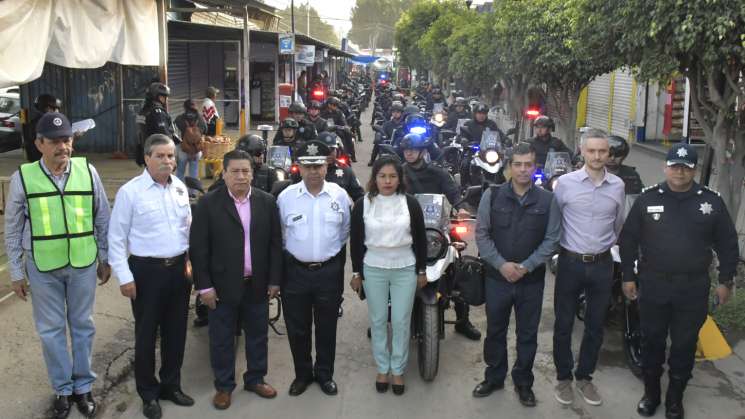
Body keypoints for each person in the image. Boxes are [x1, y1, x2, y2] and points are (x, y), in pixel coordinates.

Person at [619, 143, 738, 419]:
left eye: (686, 167)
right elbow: (628, 240)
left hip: (692, 288)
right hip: (654, 285)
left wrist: (725, 281)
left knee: (684, 345)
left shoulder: (711, 202)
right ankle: (651, 395)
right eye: (675, 166)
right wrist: (628, 276)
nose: (680, 172)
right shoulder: (648, 199)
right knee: (652, 343)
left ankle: (675, 399)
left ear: (694, 170)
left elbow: (728, 245)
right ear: (666, 167)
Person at [4, 112, 111, 419]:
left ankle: (83, 388)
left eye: (66, 139)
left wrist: (104, 257)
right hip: (43, 266)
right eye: (54, 141)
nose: (62, 146)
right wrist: (15, 272)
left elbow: (101, 216)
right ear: (39, 144)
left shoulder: (87, 171)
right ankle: (63, 390)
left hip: (83, 262)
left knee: (83, 326)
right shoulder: (22, 178)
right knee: (51, 331)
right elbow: (12, 229)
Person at [108, 134, 194, 419]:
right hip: (146, 272)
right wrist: (124, 276)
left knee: (176, 332)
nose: (167, 161)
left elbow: (187, 231)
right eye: (160, 155)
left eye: (171, 156)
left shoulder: (180, 188)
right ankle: (148, 392)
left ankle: (171, 385)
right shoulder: (131, 192)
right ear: (146, 158)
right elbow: (116, 238)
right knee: (146, 335)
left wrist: (190, 262)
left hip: (178, 270)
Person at [189, 149, 283, 410]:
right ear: (225, 173)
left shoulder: (266, 202)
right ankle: (224, 386)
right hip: (221, 286)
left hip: (258, 283)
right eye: (235, 171)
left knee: (258, 334)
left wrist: (275, 280)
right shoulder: (208, 204)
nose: (241, 177)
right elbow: (199, 249)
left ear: (252, 173)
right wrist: (204, 286)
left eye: (246, 171)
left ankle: (255, 378)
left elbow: (276, 244)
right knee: (221, 337)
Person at [473, 142, 561, 406]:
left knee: (527, 334)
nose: (523, 170)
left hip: (530, 281)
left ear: (535, 167)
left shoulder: (548, 200)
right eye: (518, 164)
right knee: (495, 331)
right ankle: (494, 377)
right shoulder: (493, 195)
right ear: (509, 167)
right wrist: (501, 265)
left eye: (528, 165)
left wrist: (526, 266)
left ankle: (523, 382)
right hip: (496, 279)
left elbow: (552, 239)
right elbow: (482, 234)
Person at [552, 128, 625, 407]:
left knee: (595, 324)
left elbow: (618, 224)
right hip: (570, 262)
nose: (597, 156)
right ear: (582, 152)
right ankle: (563, 377)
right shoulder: (565, 184)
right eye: (592, 151)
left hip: (602, 264)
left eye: (602, 151)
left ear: (609, 154)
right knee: (564, 322)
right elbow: (554, 222)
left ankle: (584, 377)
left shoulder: (618, 186)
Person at [277, 140, 351, 397]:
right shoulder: (286, 198)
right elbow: (282, 236)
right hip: (295, 272)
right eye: (307, 166)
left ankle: (324, 374)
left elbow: (344, 233)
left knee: (326, 325)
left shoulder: (340, 195)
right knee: (297, 327)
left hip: (329, 272)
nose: (313, 171)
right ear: (298, 167)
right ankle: (302, 374)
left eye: (318, 165)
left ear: (327, 165)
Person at [349, 157, 427, 396]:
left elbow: (421, 239)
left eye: (393, 176)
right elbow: (356, 241)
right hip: (373, 267)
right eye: (382, 176)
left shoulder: (410, 203)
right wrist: (356, 273)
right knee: (379, 319)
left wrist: (421, 270)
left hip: (405, 268)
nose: (388, 181)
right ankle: (383, 367)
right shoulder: (364, 204)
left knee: (402, 321)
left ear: (399, 179)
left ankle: (398, 369)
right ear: (375, 178)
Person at [400, 133, 480, 340]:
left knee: (458, 260)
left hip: (438, 225)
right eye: (406, 150)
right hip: (405, 227)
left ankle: (463, 320)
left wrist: (461, 208)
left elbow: (453, 193)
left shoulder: (438, 173)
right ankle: (383, 316)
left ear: (422, 151)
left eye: (413, 149)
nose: (409, 153)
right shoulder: (399, 173)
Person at [318, 131, 364, 202]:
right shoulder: (308, 170)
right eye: (324, 150)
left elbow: (360, 197)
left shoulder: (345, 170)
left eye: (332, 149)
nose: (329, 154)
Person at [140, 82, 177, 167]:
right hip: (160, 153)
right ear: (159, 97)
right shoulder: (157, 112)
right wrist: (171, 157)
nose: (165, 100)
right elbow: (164, 135)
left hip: (148, 151)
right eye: (164, 97)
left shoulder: (144, 111)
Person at [174, 99, 207, 187]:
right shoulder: (200, 118)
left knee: (180, 171)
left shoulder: (180, 118)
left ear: (184, 107)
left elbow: (174, 130)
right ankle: (193, 193)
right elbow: (205, 130)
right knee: (194, 172)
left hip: (183, 149)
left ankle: (179, 191)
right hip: (196, 150)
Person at [23, 93, 61, 162]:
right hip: (45, 162)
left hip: (36, 161)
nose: (58, 111)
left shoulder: (34, 121)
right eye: (56, 109)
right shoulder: (46, 123)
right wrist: (74, 138)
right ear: (48, 108)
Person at [369, 101, 405, 166]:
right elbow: (382, 132)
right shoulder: (387, 124)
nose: (395, 113)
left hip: (401, 146)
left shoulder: (405, 125)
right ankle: (372, 160)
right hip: (388, 145)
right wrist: (381, 137)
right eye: (394, 112)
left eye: (398, 112)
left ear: (401, 113)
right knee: (377, 143)